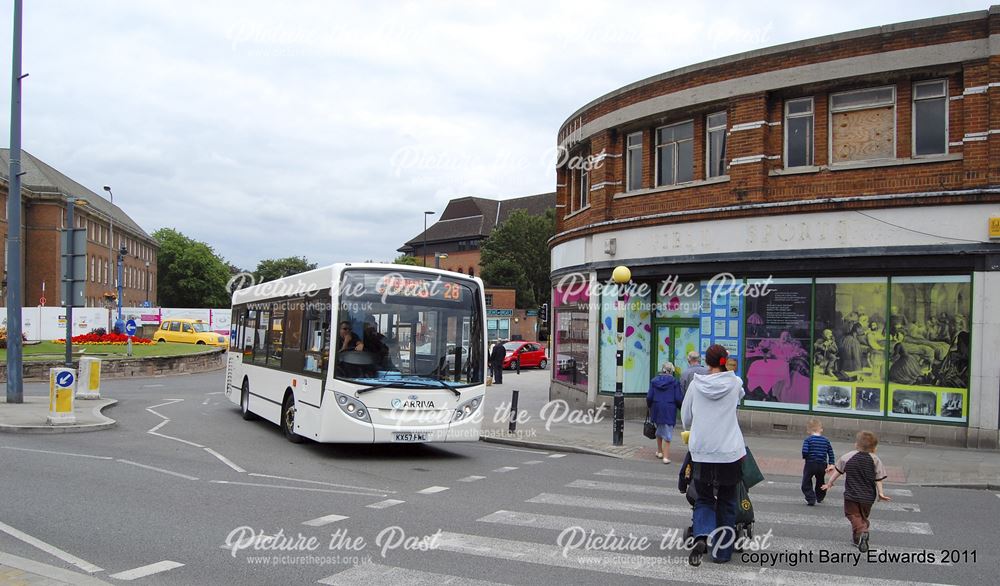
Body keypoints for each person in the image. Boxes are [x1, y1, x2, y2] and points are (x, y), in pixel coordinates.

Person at [681, 344, 746, 566]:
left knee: (704, 497)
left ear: (706, 362)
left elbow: (686, 417)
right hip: (729, 451)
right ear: (724, 361)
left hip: (702, 452)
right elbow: (739, 399)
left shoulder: (696, 385)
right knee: (728, 500)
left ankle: (700, 537)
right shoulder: (735, 382)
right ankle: (721, 553)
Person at [821, 431, 891, 553]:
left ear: (856, 445)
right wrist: (881, 493)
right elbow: (878, 479)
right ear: (874, 448)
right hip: (868, 497)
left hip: (852, 494)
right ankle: (857, 539)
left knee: (852, 515)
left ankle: (863, 532)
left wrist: (829, 483)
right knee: (862, 516)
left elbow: (838, 471)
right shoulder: (875, 460)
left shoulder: (848, 457)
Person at [646, 362, 684, 464]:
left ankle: (659, 451)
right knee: (667, 431)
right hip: (669, 408)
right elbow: (677, 398)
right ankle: (666, 457)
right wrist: (681, 407)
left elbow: (649, 397)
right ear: (672, 371)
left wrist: (649, 405)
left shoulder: (654, 381)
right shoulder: (674, 382)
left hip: (656, 407)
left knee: (659, 428)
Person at [801, 418, 835, 506]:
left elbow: (805, 451)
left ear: (808, 430)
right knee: (820, 480)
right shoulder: (826, 440)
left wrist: (805, 456)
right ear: (821, 429)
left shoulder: (808, 440)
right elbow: (830, 452)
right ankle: (820, 496)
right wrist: (831, 463)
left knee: (806, 480)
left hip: (810, 463)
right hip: (822, 464)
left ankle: (811, 497)